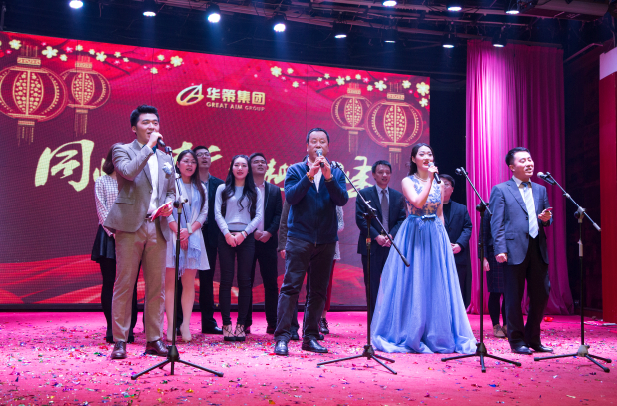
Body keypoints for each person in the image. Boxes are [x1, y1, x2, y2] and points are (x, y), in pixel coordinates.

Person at [370, 143, 477, 354]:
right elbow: (418, 203)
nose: (427, 157)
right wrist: (430, 179)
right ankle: (409, 330)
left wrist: (443, 239)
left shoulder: (438, 183)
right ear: (413, 159)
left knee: (435, 281)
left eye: (430, 153)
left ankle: (436, 332)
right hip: (414, 233)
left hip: (435, 233)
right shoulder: (408, 181)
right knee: (414, 280)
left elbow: (440, 213)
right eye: (422, 154)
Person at [104, 105, 175, 359]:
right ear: (134, 128)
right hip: (130, 225)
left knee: (157, 286)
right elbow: (128, 172)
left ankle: (154, 339)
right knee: (125, 284)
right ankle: (120, 340)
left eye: (155, 122)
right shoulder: (122, 150)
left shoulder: (166, 157)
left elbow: (171, 190)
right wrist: (149, 147)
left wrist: (169, 204)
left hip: (157, 225)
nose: (152, 126)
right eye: (146, 123)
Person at [273, 128, 349, 356]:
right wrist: (309, 175)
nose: (318, 145)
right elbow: (292, 197)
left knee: (318, 291)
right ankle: (282, 337)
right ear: (307, 146)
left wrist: (328, 178)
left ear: (328, 147)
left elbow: (342, 199)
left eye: (322, 142)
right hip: (299, 238)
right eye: (313, 141)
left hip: (326, 239)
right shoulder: (295, 170)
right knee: (290, 288)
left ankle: (311, 337)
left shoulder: (335, 172)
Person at [489, 147, 553, 355]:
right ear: (512, 167)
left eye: (530, 159)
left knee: (541, 293)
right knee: (513, 298)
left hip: (537, 247)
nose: (528, 163)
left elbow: (546, 218)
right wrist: (500, 248)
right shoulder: (501, 189)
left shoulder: (541, 190)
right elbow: (497, 222)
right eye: (523, 160)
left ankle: (533, 338)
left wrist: (547, 219)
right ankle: (516, 340)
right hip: (512, 249)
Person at [91, 144, 139, 344]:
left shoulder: (132, 181)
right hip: (108, 236)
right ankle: (112, 327)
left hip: (131, 234)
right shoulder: (102, 181)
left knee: (130, 283)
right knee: (110, 282)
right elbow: (101, 210)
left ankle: (128, 327)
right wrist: (114, 232)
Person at [215, 155, 264, 342]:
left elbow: (258, 216)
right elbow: (217, 213)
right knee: (226, 281)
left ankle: (241, 325)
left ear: (248, 169)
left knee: (245, 281)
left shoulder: (254, 190)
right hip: (225, 236)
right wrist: (227, 234)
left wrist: (244, 233)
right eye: (237, 165)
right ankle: (226, 324)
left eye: (244, 165)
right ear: (232, 167)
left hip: (246, 237)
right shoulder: (222, 189)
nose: (240, 168)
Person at [164, 150, 209, 343]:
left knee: (189, 284)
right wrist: (178, 232)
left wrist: (187, 232)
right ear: (178, 164)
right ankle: (170, 326)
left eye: (193, 162)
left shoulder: (202, 187)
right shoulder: (172, 184)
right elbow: (167, 211)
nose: (190, 165)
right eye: (186, 161)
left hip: (194, 238)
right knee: (170, 284)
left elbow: (203, 214)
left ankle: (186, 325)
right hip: (172, 235)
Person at [355, 160, 406, 320]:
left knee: (392, 285)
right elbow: (360, 219)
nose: (384, 175)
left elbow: (402, 219)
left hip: (391, 246)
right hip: (371, 246)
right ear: (373, 175)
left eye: (387, 172)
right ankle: (373, 321)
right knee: (372, 285)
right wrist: (376, 236)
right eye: (380, 172)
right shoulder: (364, 194)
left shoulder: (398, 196)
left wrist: (391, 235)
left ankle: (391, 320)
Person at [246, 153, 283, 335]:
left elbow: (279, 215)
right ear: (249, 166)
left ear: (267, 167)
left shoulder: (274, 190)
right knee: (246, 282)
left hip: (268, 241)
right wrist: (251, 232)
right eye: (256, 162)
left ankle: (273, 322)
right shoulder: (244, 189)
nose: (260, 164)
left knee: (271, 283)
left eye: (263, 162)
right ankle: (245, 322)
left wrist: (269, 232)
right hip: (248, 241)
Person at [194, 145, 225, 335]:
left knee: (207, 280)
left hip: (211, 236)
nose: (205, 157)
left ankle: (208, 322)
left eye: (207, 154)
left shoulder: (219, 185)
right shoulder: (187, 181)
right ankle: (179, 321)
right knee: (184, 279)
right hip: (190, 235)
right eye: (200, 155)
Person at [441, 174, 473, 307]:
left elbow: (467, 227)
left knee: (458, 290)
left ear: (452, 189)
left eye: (446, 184)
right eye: (439, 183)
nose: (442, 186)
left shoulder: (461, 208)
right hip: (439, 255)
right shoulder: (431, 208)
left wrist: (460, 244)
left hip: (458, 255)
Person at [481, 212, 507, 338]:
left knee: (509, 293)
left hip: (511, 252)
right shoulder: (488, 210)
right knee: (495, 292)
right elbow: (483, 237)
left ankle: (507, 324)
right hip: (493, 254)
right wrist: (484, 258)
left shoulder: (512, 206)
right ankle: (496, 325)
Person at [319, 205, 344, 335]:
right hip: (310, 244)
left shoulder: (335, 200)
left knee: (326, 284)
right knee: (311, 284)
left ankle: (322, 318)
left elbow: (341, 224)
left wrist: (328, 229)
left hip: (329, 244)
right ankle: (310, 318)